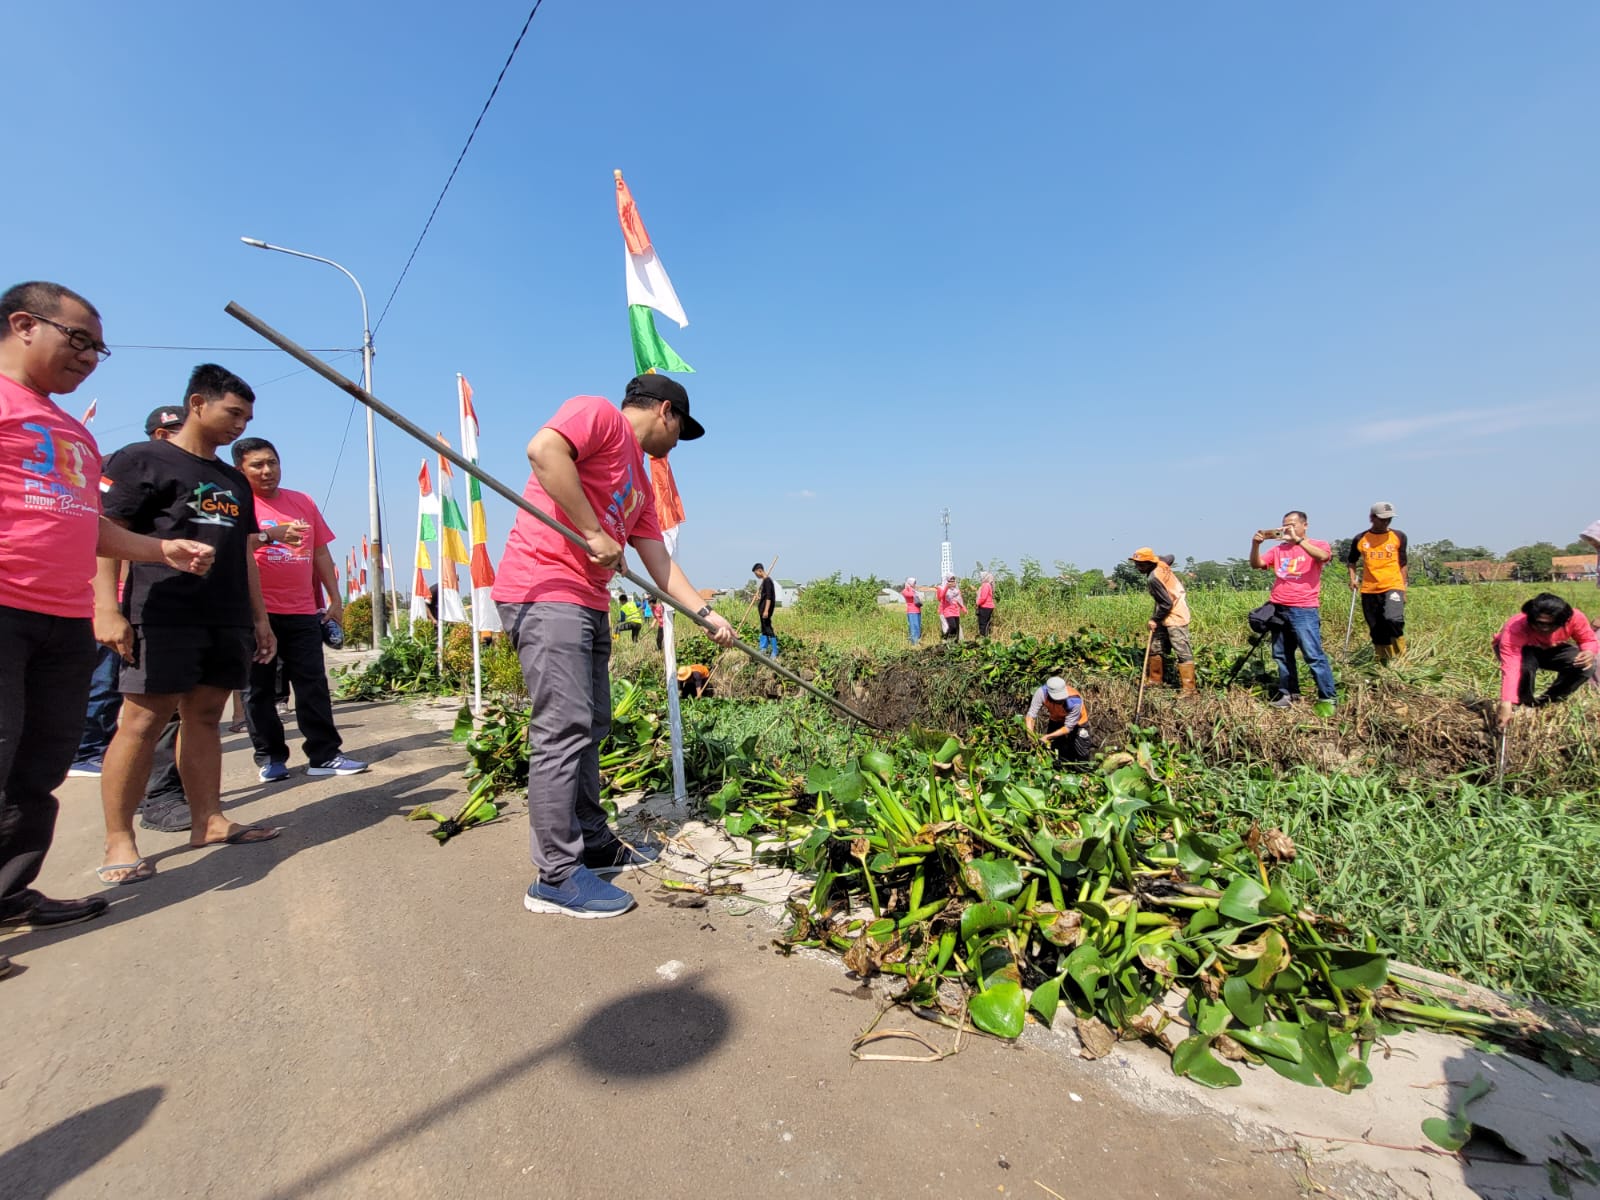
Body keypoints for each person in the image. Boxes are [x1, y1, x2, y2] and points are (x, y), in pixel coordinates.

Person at [0, 282, 214, 963]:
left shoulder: (69, 427)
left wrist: (160, 550)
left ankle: (8, 891)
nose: (91, 357)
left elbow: (82, 522)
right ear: (24, 324)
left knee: (39, 764)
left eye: (100, 347)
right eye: (80, 340)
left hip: (59, 617)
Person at [492, 373, 734, 919]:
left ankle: (592, 841)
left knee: (592, 724)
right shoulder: (597, 413)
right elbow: (543, 451)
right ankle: (555, 875)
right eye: (680, 433)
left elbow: (660, 564)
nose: (675, 446)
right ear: (665, 412)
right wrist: (594, 531)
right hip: (545, 588)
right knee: (562, 728)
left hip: (587, 600)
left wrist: (706, 614)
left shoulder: (640, 486)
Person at [95, 364, 282, 886]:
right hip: (163, 612)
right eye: (233, 413)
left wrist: (259, 618)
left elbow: (244, 553)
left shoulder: (232, 480)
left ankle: (210, 821)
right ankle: (119, 839)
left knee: (205, 717)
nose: (240, 425)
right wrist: (105, 608)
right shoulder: (141, 459)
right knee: (142, 720)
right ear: (198, 403)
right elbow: (105, 533)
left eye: (247, 417)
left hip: (224, 617)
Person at [233, 437, 367, 781]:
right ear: (240, 469)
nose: (267, 471)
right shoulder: (235, 503)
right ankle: (271, 758)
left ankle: (324, 755)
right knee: (258, 690)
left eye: (272, 463)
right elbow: (229, 546)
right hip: (255, 613)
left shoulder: (302, 501)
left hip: (303, 611)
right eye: (257, 465)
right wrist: (269, 535)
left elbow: (320, 552)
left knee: (313, 685)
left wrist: (335, 599)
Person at [67, 405, 190, 780]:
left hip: (149, 601)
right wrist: (106, 605)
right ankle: (90, 750)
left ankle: (115, 755)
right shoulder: (129, 471)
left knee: (143, 693)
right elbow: (101, 537)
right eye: (170, 432)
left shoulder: (174, 484)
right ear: (157, 434)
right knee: (106, 681)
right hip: (113, 598)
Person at [1249, 511, 1336, 714]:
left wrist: (1298, 541)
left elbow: (1324, 557)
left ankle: (1327, 697)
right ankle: (1289, 693)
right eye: (1284, 525)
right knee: (1281, 654)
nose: (1287, 529)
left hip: (1304, 608)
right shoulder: (1278, 550)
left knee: (1313, 654)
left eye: (1292, 525)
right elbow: (1256, 564)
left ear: (1304, 525)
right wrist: (1256, 545)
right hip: (1279, 607)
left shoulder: (1317, 545)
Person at [1493, 594, 1598, 730]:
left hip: (1552, 647)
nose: (1544, 629)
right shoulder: (1516, 627)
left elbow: (1588, 640)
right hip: (1523, 650)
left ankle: (1547, 702)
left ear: (1563, 621)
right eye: (1539, 623)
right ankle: (1522, 703)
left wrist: (1588, 651)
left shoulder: (1575, 618)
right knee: (1523, 667)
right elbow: (1512, 666)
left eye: (1551, 625)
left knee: (1586, 666)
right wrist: (1506, 702)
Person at [1129, 548, 1196, 695]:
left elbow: (1167, 603)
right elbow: (1171, 556)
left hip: (1175, 614)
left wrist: (1154, 619)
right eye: (1136, 564)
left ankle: (1189, 689)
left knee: (1181, 650)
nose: (1138, 568)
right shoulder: (1161, 562)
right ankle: (1155, 680)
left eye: (1141, 565)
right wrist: (1158, 559)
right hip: (1164, 613)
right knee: (1154, 647)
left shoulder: (1153, 578)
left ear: (1149, 563)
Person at [1346, 502, 1408, 660]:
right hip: (1369, 589)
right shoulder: (1360, 539)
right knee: (1376, 628)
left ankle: (1402, 656)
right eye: (1382, 519)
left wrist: (1403, 588)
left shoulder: (1399, 536)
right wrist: (1352, 579)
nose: (1386, 522)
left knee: (1393, 619)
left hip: (1393, 585)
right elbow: (1352, 561)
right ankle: (1384, 660)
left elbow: (1403, 564)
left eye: (1389, 519)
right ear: (1372, 518)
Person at [1025, 676, 1092, 765]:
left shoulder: (1074, 701)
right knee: (1055, 748)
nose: (1060, 700)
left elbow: (1068, 728)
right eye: (1057, 699)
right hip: (1056, 719)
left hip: (1077, 723)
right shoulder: (1041, 692)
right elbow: (1031, 715)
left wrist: (1047, 737)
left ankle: (1084, 771)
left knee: (1082, 752)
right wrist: (1031, 737)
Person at [752, 563, 778, 657]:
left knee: (768, 628)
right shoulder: (764, 581)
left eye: (756, 574)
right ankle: (763, 648)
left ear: (760, 571)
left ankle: (775, 651)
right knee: (763, 628)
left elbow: (769, 598)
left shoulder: (767, 581)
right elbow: (764, 597)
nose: (756, 576)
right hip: (762, 609)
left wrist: (766, 610)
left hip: (765, 610)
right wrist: (759, 598)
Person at [936, 574, 968, 641]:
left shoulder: (956, 590)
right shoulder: (942, 589)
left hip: (956, 611)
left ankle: (955, 643)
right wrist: (946, 587)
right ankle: (946, 638)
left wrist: (963, 608)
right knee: (952, 626)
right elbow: (940, 597)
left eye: (953, 581)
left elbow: (959, 600)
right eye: (950, 581)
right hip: (947, 610)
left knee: (957, 629)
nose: (952, 582)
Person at [901, 577, 922, 644]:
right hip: (912, 611)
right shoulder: (905, 591)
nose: (915, 584)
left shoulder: (914, 590)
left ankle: (918, 640)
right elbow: (910, 595)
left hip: (918, 610)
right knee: (913, 626)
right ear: (909, 583)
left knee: (918, 626)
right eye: (914, 583)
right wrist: (909, 587)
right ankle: (914, 642)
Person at [975, 572, 996, 638]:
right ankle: (987, 637)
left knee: (982, 623)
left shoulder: (985, 585)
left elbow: (983, 598)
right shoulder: (989, 585)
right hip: (989, 607)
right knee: (987, 623)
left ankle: (983, 637)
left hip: (985, 607)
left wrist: (977, 603)